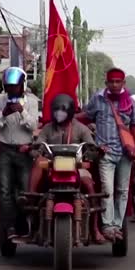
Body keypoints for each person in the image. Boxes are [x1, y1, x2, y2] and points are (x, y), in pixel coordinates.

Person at [32, 93, 105, 243]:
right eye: (56, 110)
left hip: (76, 168)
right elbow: (38, 145)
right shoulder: (47, 128)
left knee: (89, 186)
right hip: (52, 167)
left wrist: (94, 152)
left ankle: (95, 228)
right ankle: (31, 200)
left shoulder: (81, 129)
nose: (59, 113)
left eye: (63, 110)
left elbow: (91, 148)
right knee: (38, 162)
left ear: (70, 112)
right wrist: (34, 150)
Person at [84, 67, 135, 241]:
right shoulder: (98, 98)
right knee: (107, 190)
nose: (115, 85)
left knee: (123, 191)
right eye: (112, 82)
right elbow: (86, 116)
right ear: (106, 83)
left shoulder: (130, 102)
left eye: (118, 82)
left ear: (123, 83)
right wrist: (64, 116)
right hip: (105, 153)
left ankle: (117, 224)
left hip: (125, 153)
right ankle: (107, 225)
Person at [0, 67, 38, 238]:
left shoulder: (32, 101)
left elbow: (33, 126)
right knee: (4, 190)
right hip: (5, 149)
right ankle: (8, 226)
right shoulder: (0, 101)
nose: (12, 89)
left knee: (25, 190)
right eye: (9, 86)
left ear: (22, 85)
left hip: (24, 151)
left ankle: (23, 222)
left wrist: (21, 111)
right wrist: (4, 114)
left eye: (15, 86)